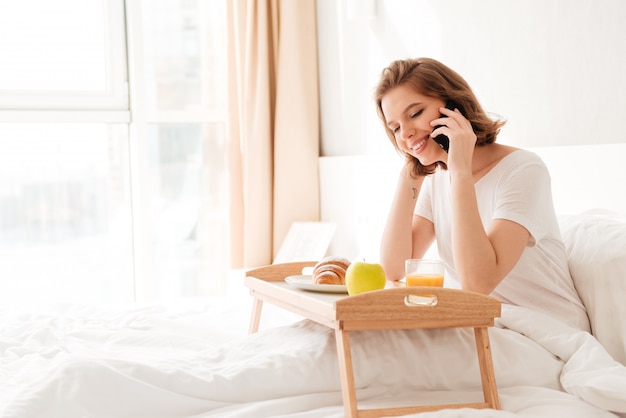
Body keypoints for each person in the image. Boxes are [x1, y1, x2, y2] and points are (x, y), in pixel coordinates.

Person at [375, 57, 589, 332]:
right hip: (486, 325)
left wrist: (460, 172)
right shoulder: (436, 178)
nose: (405, 134)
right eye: (395, 128)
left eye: (415, 113)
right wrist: (409, 174)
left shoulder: (523, 170)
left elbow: (478, 284)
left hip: (547, 328)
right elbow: (395, 269)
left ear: (454, 107)